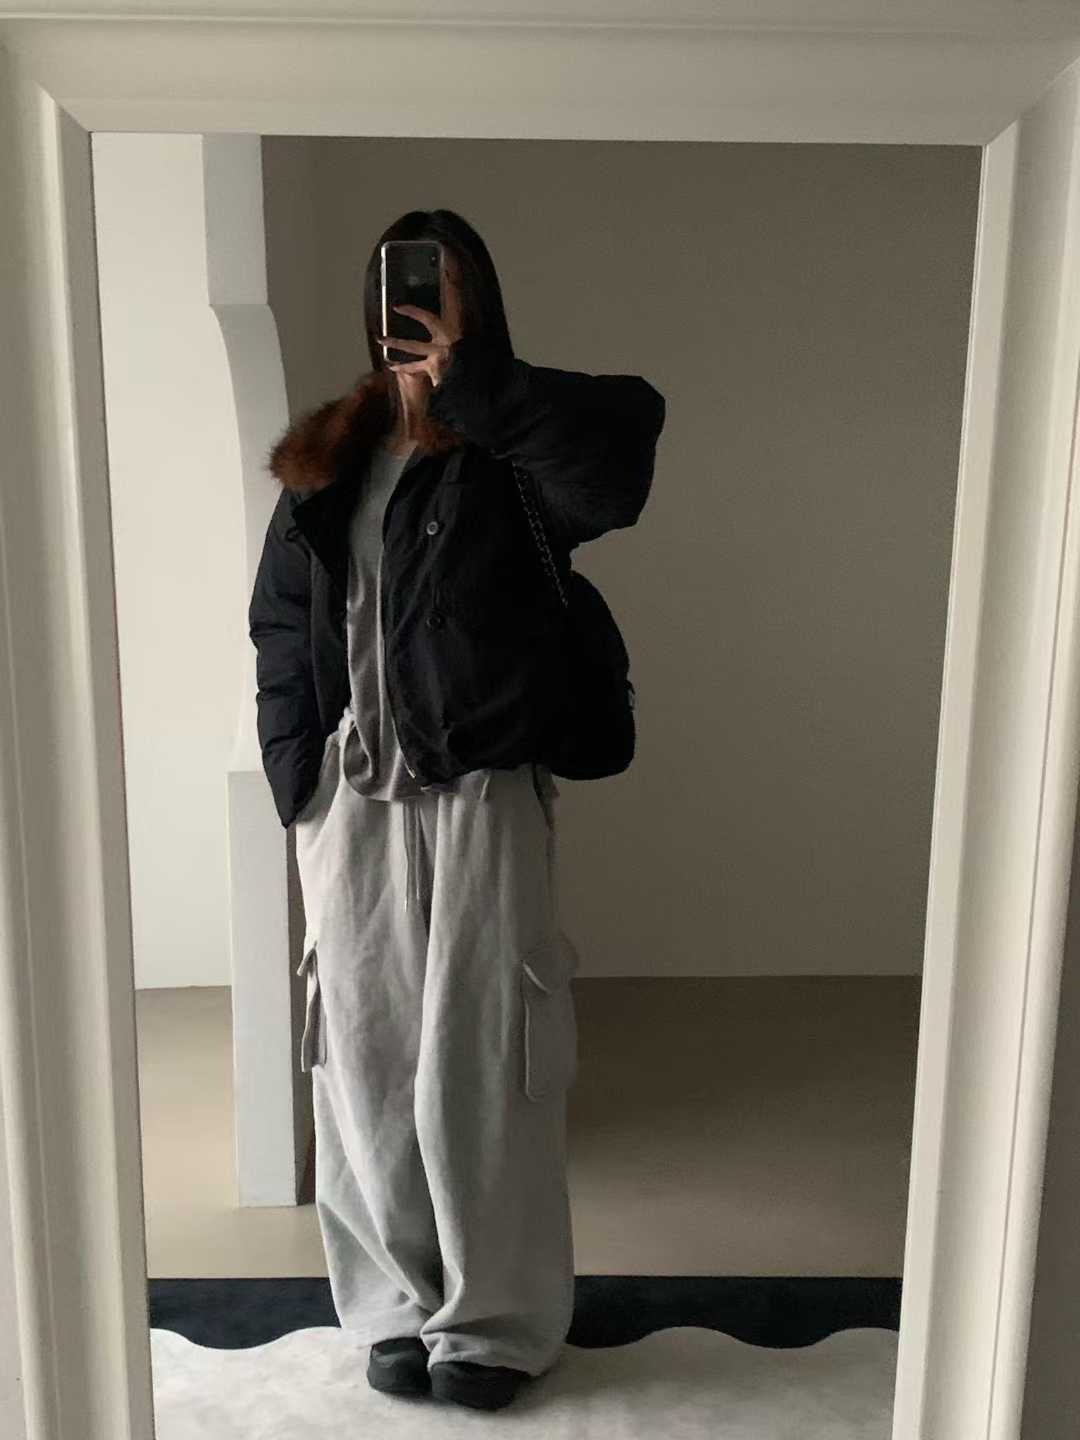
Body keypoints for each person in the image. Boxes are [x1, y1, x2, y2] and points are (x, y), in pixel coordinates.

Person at [248, 209, 666, 1411]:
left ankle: (493, 1324)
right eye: (398, 292)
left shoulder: (520, 450)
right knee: (363, 1059)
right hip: (351, 802)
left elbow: (622, 464)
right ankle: (394, 1302)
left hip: (484, 791)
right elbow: (282, 622)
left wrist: (481, 385)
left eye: (439, 290)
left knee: (487, 1065)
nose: (416, 312)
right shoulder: (326, 460)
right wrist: (296, 774)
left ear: (476, 303)